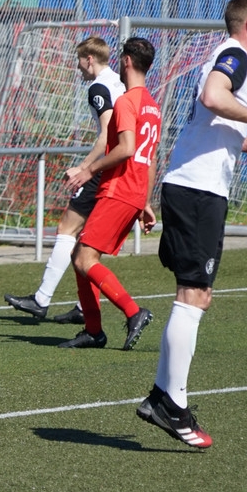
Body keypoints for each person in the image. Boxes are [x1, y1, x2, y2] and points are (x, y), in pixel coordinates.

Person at [137, 0, 247, 449]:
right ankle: (172, 404)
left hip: (195, 187)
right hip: (197, 191)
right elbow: (213, 96)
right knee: (193, 295)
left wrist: (243, 141)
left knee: (195, 295)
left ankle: (162, 396)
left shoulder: (230, 56)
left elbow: (207, 116)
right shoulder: (236, 55)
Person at [4, 35, 125, 324]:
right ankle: (84, 308)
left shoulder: (98, 87)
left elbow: (107, 135)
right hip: (119, 168)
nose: (78, 68)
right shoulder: (119, 82)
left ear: (89, 60)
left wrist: (84, 168)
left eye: (79, 62)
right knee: (87, 240)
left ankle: (41, 299)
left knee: (67, 228)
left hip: (104, 167)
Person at [57, 37, 159, 351]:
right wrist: (146, 201)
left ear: (126, 61)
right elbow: (150, 158)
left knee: (84, 258)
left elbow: (126, 149)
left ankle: (133, 311)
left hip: (118, 189)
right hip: (134, 191)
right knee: (80, 255)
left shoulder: (127, 102)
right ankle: (93, 331)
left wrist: (89, 170)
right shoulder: (152, 106)